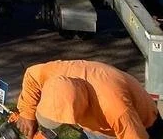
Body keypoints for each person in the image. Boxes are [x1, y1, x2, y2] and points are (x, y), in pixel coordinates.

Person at [15, 60, 163, 139]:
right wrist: (27, 113)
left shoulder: (116, 109)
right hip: (96, 126)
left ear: (78, 109)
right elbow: (32, 76)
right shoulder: (55, 73)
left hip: (142, 124)